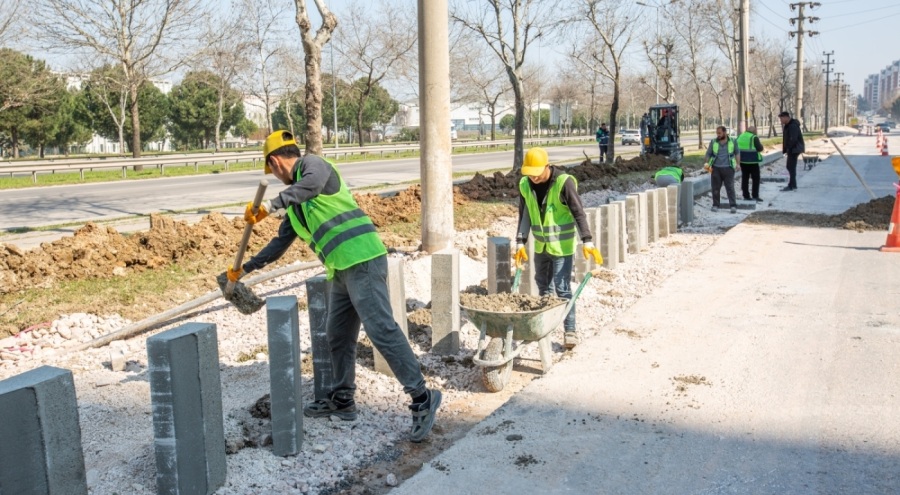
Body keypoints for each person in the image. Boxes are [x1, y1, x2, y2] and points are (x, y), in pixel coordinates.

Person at [226, 130, 441, 443]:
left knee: (381, 329)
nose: (273, 175)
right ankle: (342, 400)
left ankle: (422, 398)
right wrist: (243, 269)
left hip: (364, 260)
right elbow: (278, 244)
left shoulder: (314, 166)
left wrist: (270, 205)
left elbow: (310, 185)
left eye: (271, 170)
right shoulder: (296, 207)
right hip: (340, 270)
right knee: (337, 335)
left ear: (275, 162)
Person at [514, 147, 602, 350]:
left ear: (547, 166)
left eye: (536, 174)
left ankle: (570, 331)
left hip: (561, 247)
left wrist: (587, 239)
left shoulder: (564, 182)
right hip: (541, 245)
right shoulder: (526, 184)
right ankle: (546, 326)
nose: (533, 178)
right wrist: (520, 241)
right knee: (543, 286)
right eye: (530, 174)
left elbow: (578, 212)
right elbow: (524, 213)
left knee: (562, 288)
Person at [704, 125, 741, 213]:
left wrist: (738, 164)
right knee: (715, 188)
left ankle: (733, 206)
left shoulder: (733, 141)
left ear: (725, 132)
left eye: (720, 133)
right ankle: (716, 205)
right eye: (717, 133)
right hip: (716, 168)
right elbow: (708, 153)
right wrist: (706, 163)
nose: (718, 135)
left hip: (729, 168)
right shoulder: (713, 142)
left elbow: (737, 153)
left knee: (730, 187)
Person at [737, 125, 765, 202]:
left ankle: (746, 196)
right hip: (752, 161)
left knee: (745, 178)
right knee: (756, 178)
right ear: (754, 131)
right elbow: (760, 148)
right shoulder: (754, 137)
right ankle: (755, 195)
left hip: (742, 161)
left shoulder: (740, 136)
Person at [778, 111, 805, 191]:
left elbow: (793, 139)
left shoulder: (792, 125)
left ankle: (792, 185)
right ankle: (793, 184)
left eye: (781, 119)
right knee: (790, 167)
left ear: (786, 117)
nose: (781, 121)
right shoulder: (788, 125)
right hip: (793, 149)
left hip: (794, 149)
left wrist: (789, 148)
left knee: (791, 167)